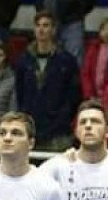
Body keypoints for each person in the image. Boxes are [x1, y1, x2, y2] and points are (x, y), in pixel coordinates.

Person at [15, 11, 80, 150]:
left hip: (59, 132)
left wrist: (62, 119)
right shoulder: (24, 60)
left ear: (54, 29)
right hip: (31, 129)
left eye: (46, 25)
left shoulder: (66, 60)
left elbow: (73, 96)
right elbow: (20, 94)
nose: (41, 29)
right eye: (38, 25)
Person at [80, 17, 108, 99]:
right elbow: (86, 72)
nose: (106, 32)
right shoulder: (93, 48)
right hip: (92, 94)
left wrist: (107, 94)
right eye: (103, 29)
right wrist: (89, 94)